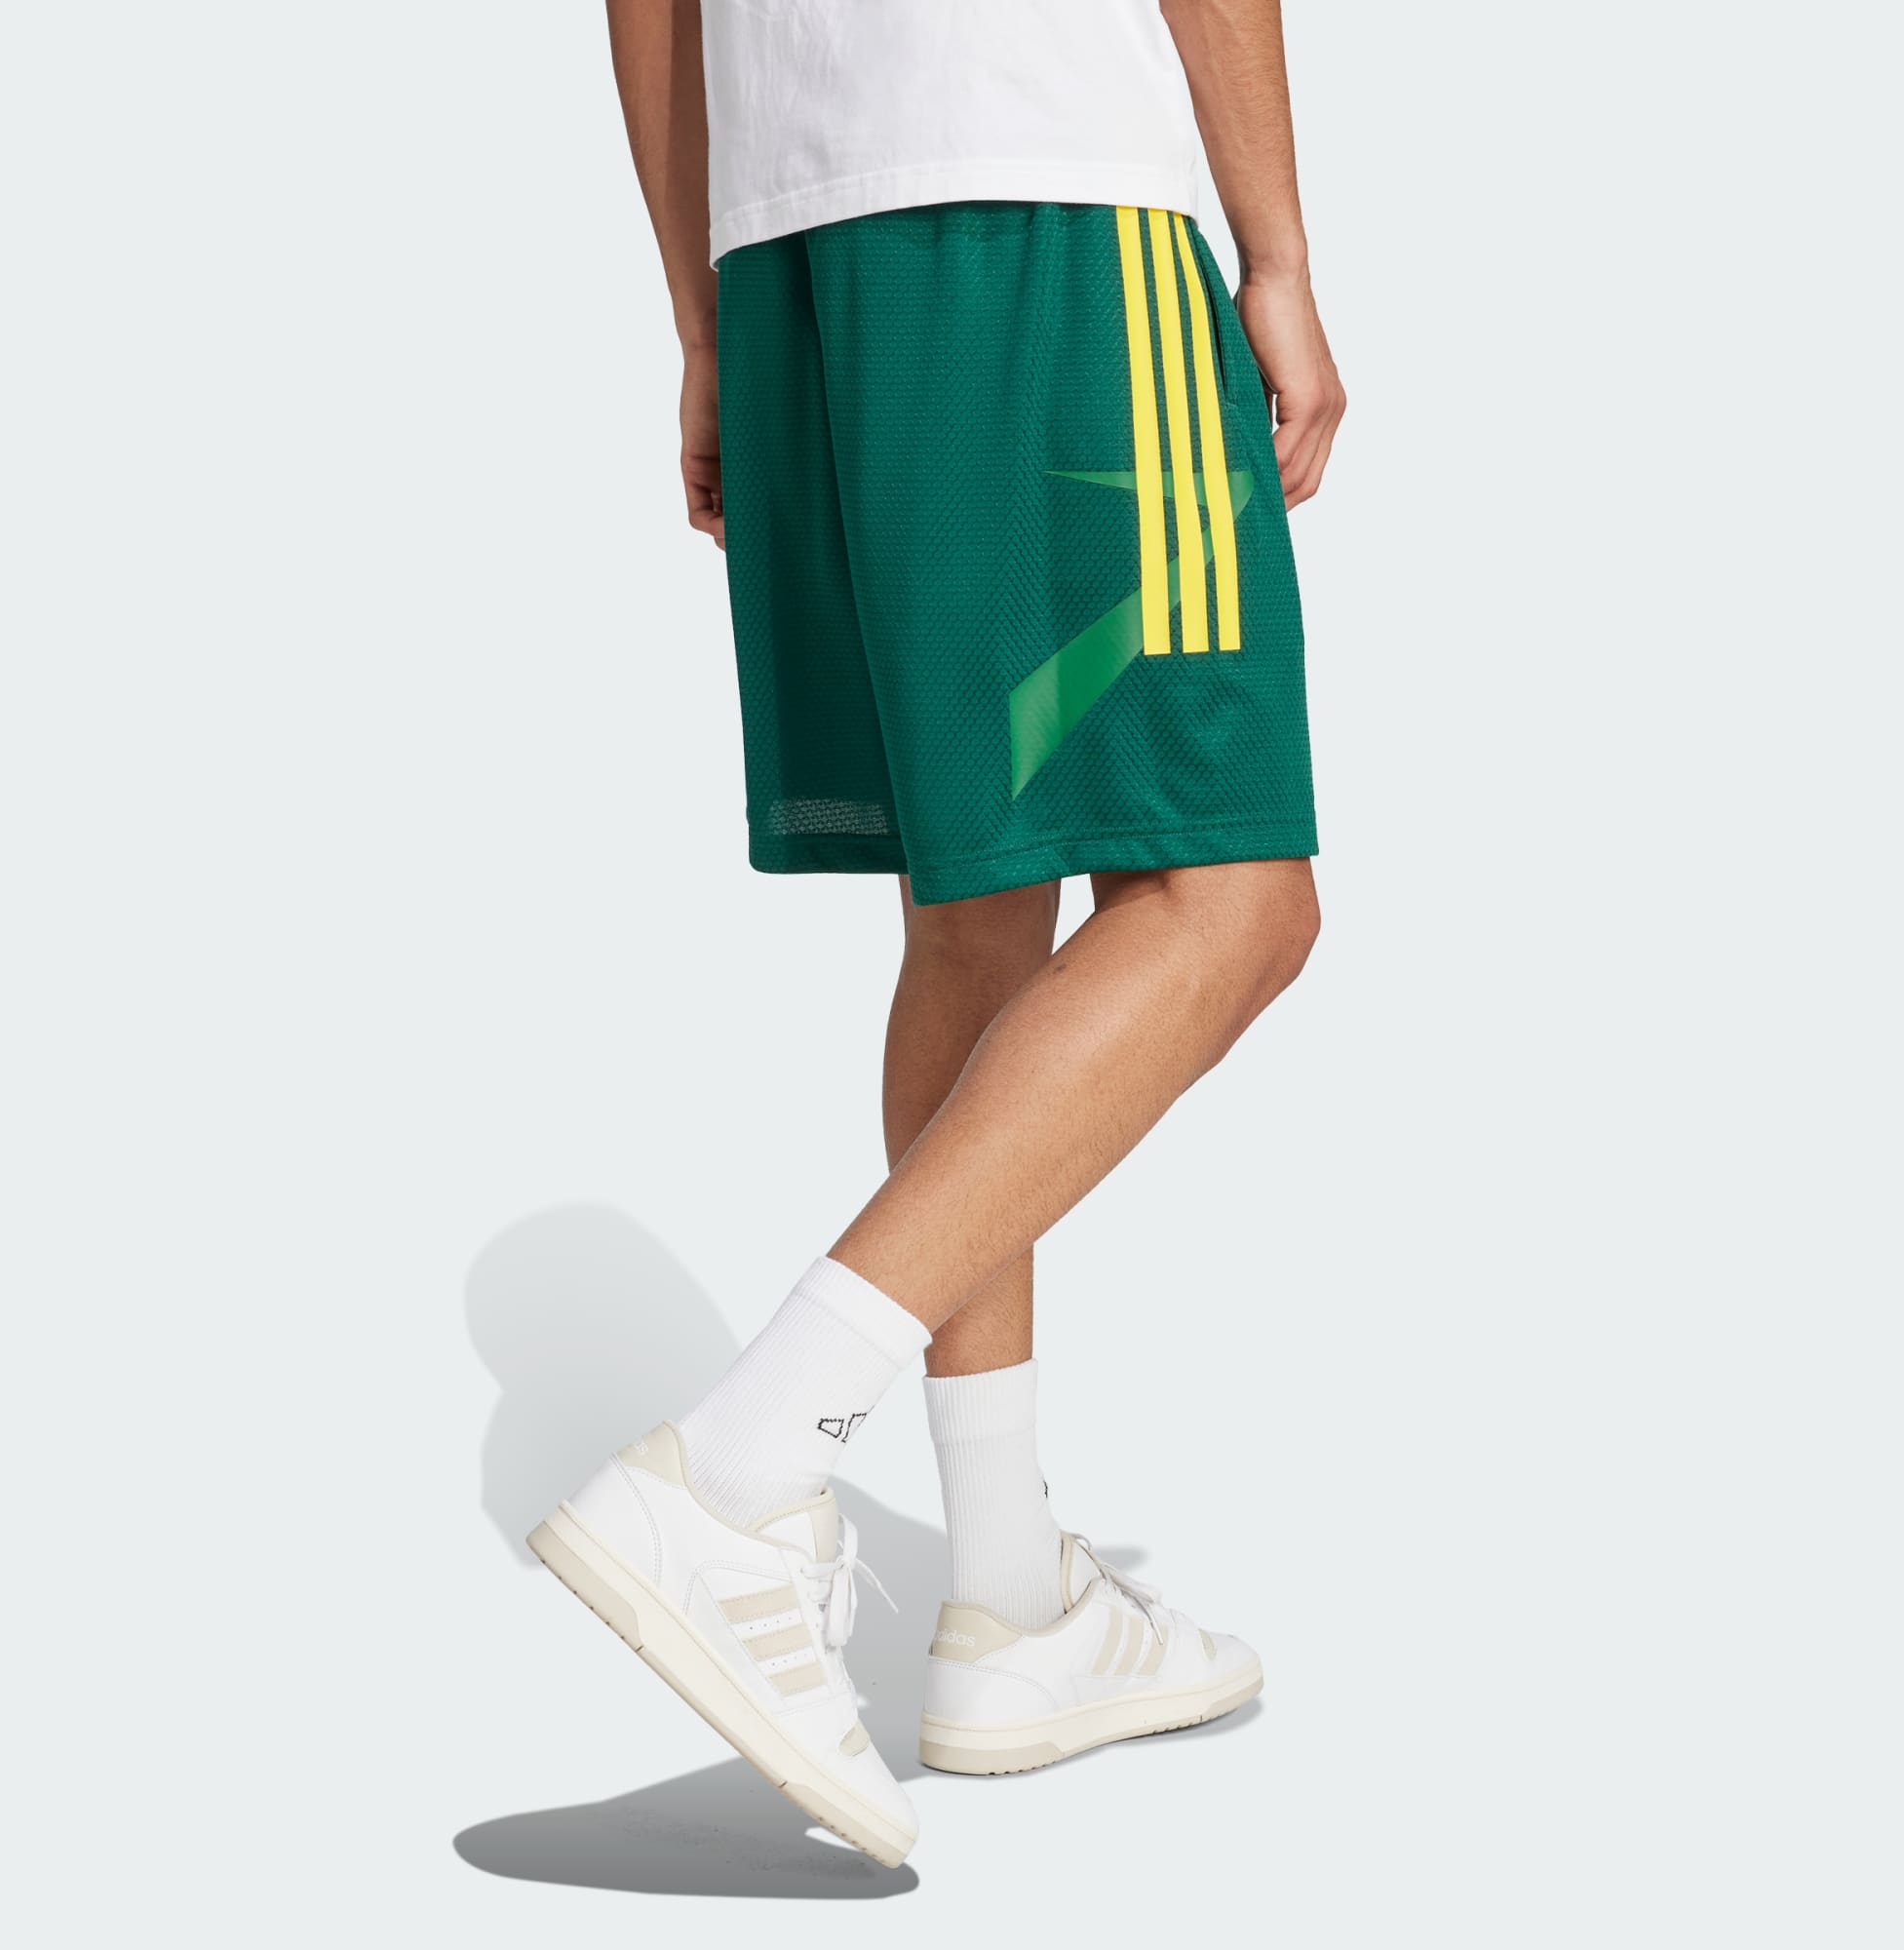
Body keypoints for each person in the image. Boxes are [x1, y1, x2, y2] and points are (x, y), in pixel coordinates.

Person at [527, 0, 1344, 1867]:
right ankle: (741, 1467)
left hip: (801, 255)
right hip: (1048, 194)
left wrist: (707, 323)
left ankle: (1010, 1603)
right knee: (1227, 897)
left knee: (978, 910)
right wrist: (1281, 255)